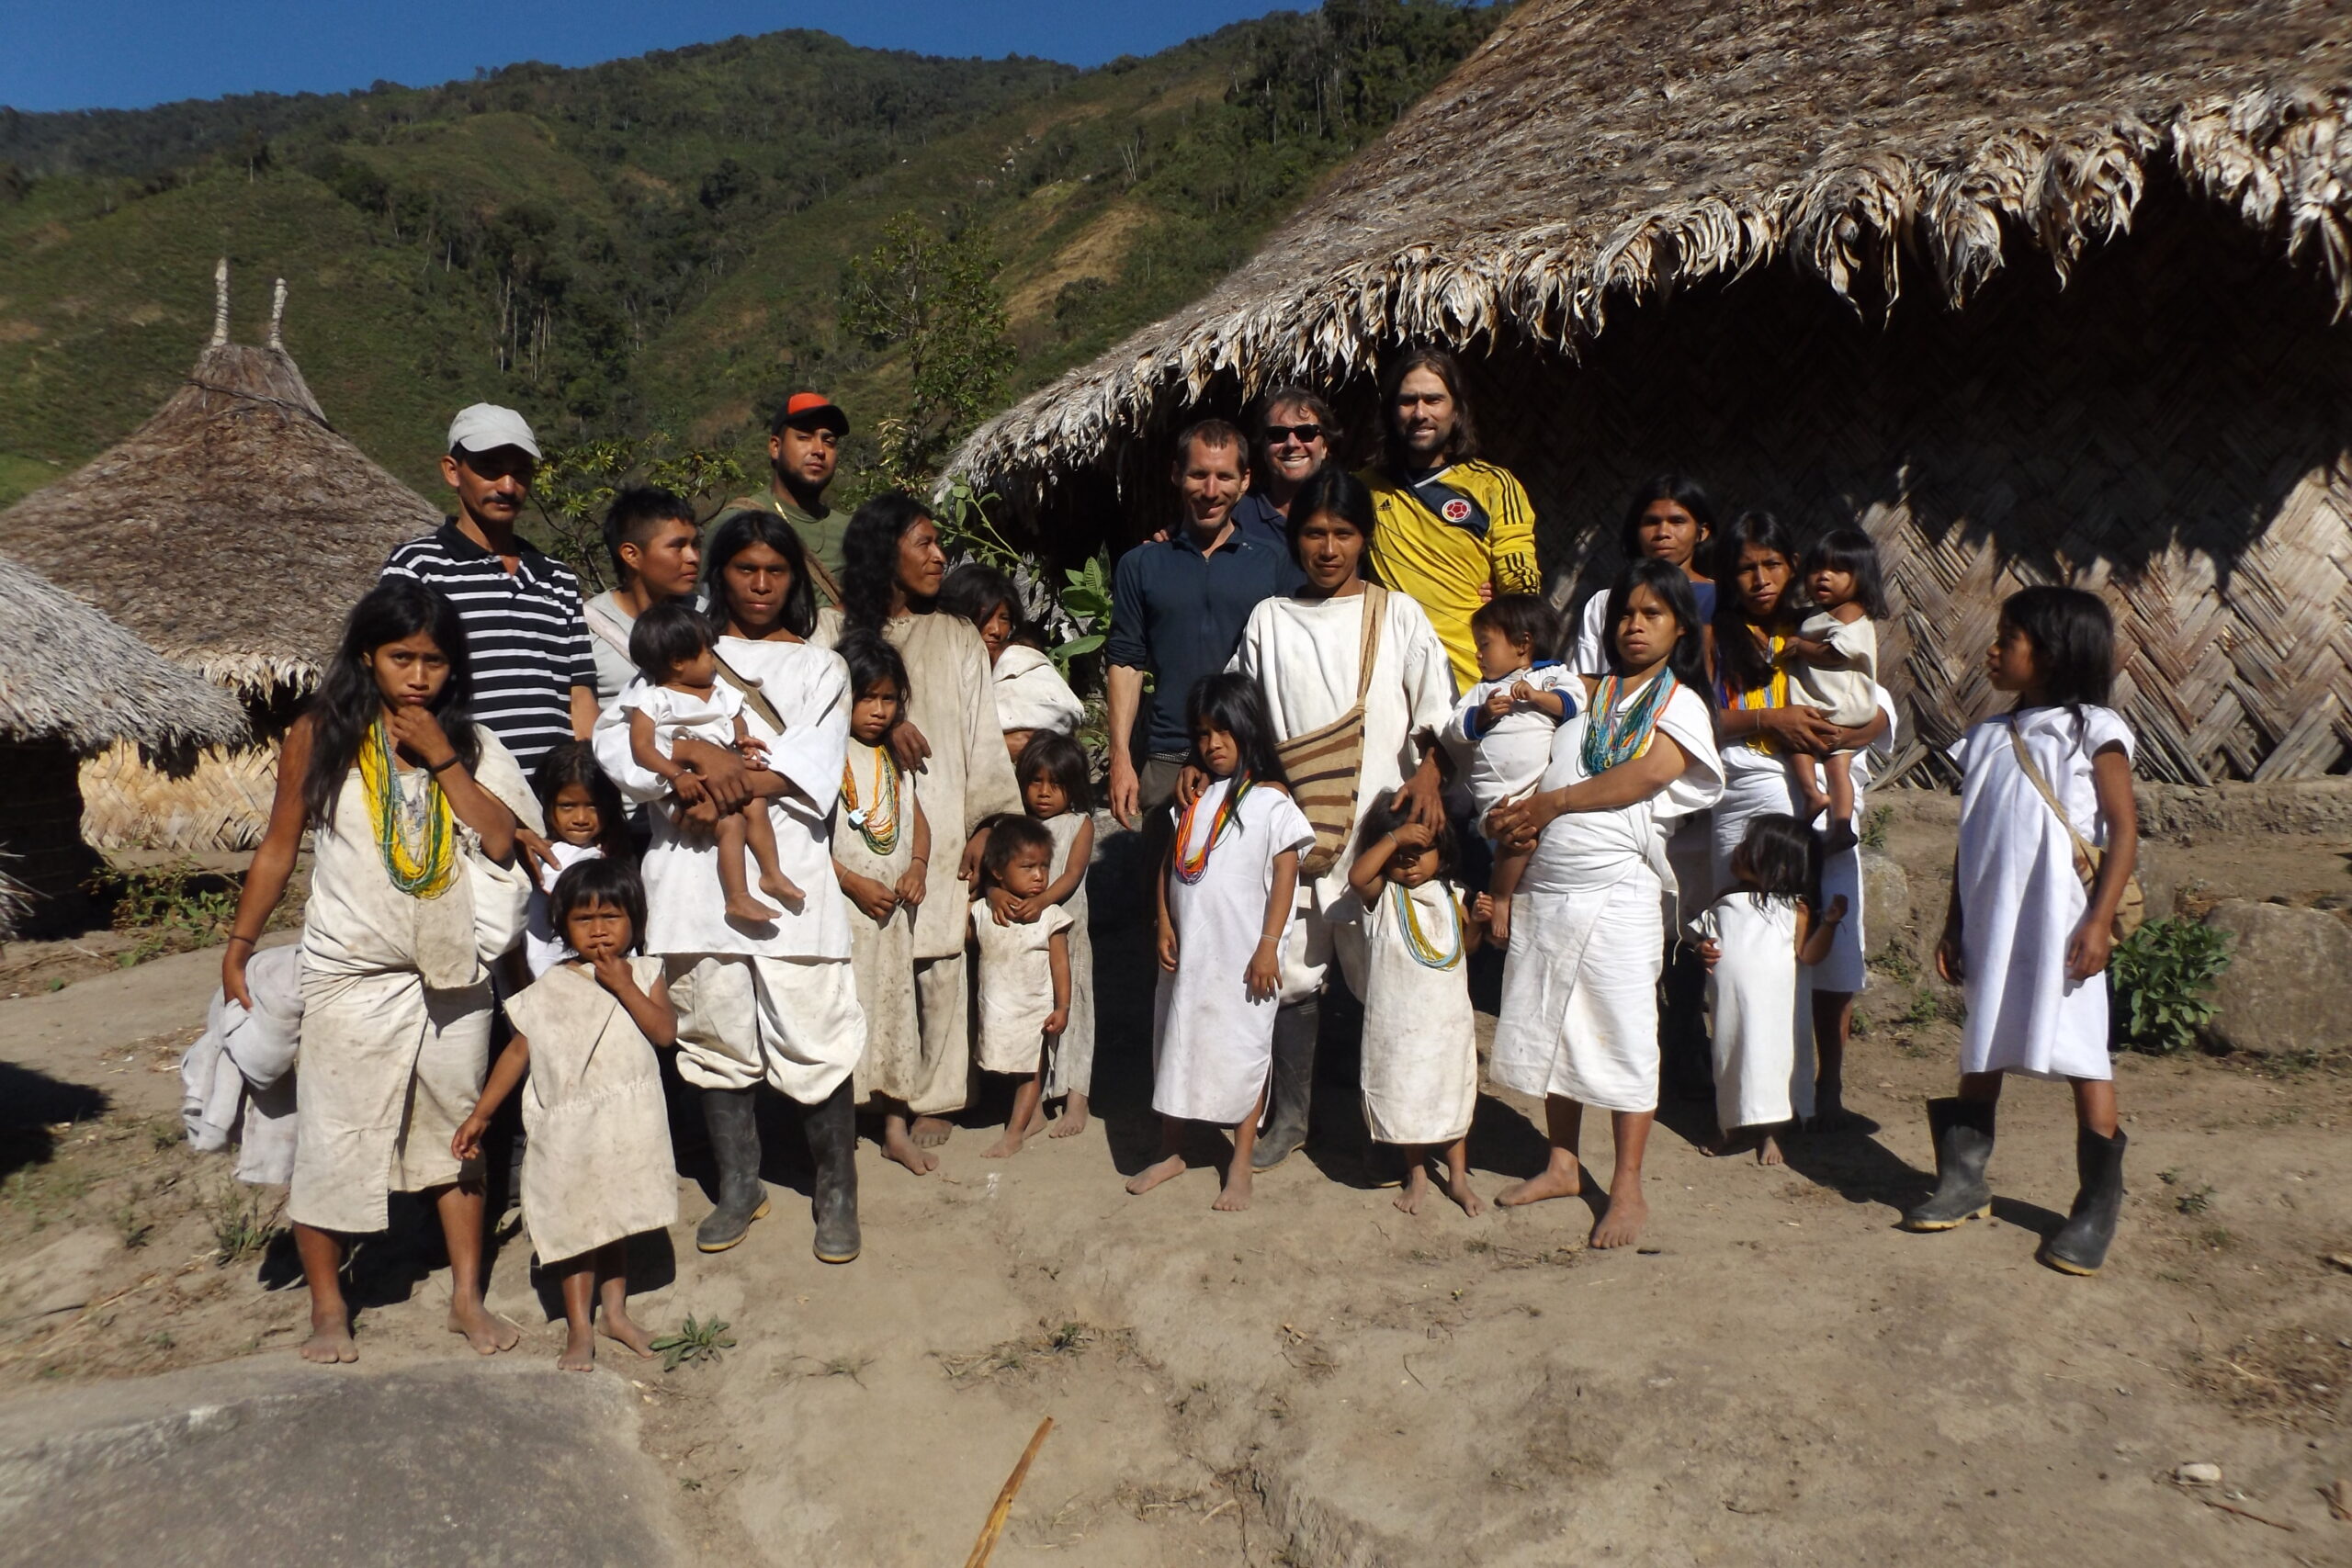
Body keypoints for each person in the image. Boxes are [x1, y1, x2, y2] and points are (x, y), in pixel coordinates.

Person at [220, 577, 539, 1363]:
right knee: (333, 1133)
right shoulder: (320, 732)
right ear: (369, 655)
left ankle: (466, 1296)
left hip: (450, 976)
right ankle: (330, 1308)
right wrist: (239, 938)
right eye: (402, 657)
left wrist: (441, 759)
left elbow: (507, 842)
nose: (419, 675)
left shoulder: (473, 743)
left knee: (458, 1130)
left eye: (434, 660)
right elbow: (279, 845)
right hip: (350, 974)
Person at [594, 509, 865, 1262]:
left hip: (789, 882)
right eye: (744, 569)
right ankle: (740, 1183)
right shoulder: (682, 648)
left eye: (776, 571)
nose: (760, 583)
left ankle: (837, 1193)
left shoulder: (820, 666)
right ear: (721, 573)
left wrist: (730, 773)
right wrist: (685, 761)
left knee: (815, 1035)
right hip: (688, 876)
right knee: (713, 1037)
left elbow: (810, 761)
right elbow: (618, 738)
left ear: (794, 579)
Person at [1486, 558, 1724, 1247]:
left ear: (1680, 626)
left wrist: (1554, 801)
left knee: (1622, 1032)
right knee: (1552, 1025)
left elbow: (1650, 772)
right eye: (1625, 613)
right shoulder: (1587, 692)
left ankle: (1626, 1185)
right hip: (1549, 885)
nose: (1635, 626)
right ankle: (1562, 1162)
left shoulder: (1680, 703)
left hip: (1619, 889)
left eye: (1652, 614)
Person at [1227, 466, 1456, 1171]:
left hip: (1379, 836)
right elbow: (1242, 716)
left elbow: (1439, 713)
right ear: (1295, 539)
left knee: (1386, 974)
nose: (1328, 548)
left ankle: (1394, 1125)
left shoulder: (1398, 614)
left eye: (1343, 533)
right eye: (1315, 534)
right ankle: (1292, 1118)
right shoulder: (1270, 619)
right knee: (1295, 974)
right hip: (1299, 830)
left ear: (1365, 538)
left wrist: (1430, 772)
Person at [1907, 587, 2138, 1276]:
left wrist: (2099, 918)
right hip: (1994, 919)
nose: (1993, 648)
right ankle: (1963, 1178)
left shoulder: (2092, 728)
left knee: (2084, 1056)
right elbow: (1969, 838)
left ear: (2053, 652)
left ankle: (2098, 1202)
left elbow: (2124, 830)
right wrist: (1954, 921)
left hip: (2063, 923)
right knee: (1982, 1043)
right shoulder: (1983, 738)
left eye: (2009, 637)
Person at [815, 493, 1023, 1148]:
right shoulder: (834, 632)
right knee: (865, 966)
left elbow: (981, 736)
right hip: (859, 828)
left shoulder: (956, 634)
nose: (940, 557)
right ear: (886, 552)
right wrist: (891, 717)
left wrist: (988, 822)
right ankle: (870, 1089)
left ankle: (937, 1091)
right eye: (925, 543)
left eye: (940, 545)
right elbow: (817, 712)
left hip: (941, 818)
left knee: (937, 960)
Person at [1707, 509, 1894, 1129]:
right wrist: (1769, 720)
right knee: (1754, 948)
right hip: (1750, 794)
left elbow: (1876, 704)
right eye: (1744, 567)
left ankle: (1827, 1087)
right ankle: (1758, 1101)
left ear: (1793, 567)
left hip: (1829, 801)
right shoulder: (1717, 637)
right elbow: (1693, 719)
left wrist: (1846, 731)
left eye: (1771, 564)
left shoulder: (1823, 623)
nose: (1759, 578)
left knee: (1832, 947)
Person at [455, 858, 676, 1371]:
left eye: (612, 917)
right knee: (576, 1223)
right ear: (561, 927)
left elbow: (664, 1033)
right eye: (583, 919)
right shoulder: (548, 988)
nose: (599, 930)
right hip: (570, 1126)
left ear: (635, 922)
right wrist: (482, 1115)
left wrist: (623, 985)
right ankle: (579, 1327)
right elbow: (517, 1053)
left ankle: (615, 1315)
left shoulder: (646, 973)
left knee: (616, 1216)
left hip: (627, 1123)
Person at [1129, 674, 1311, 1212]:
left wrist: (1267, 946)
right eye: (1204, 734)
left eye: (1224, 731)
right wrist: (1164, 921)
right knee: (1179, 1043)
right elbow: (1170, 864)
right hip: (1190, 956)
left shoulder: (1272, 803)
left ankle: (1240, 1161)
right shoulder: (1194, 796)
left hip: (1244, 957)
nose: (1213, 745)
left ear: (1248, 728)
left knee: (1244, 1050)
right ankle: (1173, 1149)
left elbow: (1286, 876)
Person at [382, 403, 596, 782]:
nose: (508, 486)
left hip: (558, 806)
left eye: (520, 473)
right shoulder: (417, 567)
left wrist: (590, 788)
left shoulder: (557, 579)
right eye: (491, 469)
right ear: (452, 471)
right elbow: (397, 693)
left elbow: (579, 697)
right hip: (464, 794)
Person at [1104, 419, 1299, 832]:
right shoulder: (1141, 565)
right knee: (1165, 889)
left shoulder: (1274, 563)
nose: (1211, 491)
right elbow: (1126, 660)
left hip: (1253, 758)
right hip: (1169, 758)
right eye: (1198, 475)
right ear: (1176, 475)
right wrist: (1120, 757)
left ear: (1245, 481)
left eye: (1224, 476)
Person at [1359, 346, 1541, 688]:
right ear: (1391, 411)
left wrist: (1507, 599)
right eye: (1408, 400)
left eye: (1433, 400)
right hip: (1391, 682)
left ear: (1456, 409)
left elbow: (1521, 577)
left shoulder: (1493, 485)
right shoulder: (1363, 489)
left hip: (1475, 680)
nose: (1420, 413)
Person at [1344, 794, 1487, 1217]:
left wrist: (1477, 921)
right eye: (1399, 854)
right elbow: (1356, 876)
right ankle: (1418, 1171)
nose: (1408, 862)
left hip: (1446, 1025)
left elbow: (1468, 947)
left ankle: (1458, 1177)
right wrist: (1395, 837)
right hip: (1399, 1025)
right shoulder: (1382, 896)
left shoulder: (1452, 895)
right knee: (1407, 1097)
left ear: (1441, 852)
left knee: (1450, 1096)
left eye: (1418, 852)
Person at [620, 601, 800, 925]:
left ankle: (771, 874)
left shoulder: (718, 691)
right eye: (706, 653)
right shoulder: (654, 699)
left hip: (725, 774)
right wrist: (676, 776)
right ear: (677, 662)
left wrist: (742, 740)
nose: (712, 660)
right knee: (732, 825)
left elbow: (735, 719)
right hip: (687, 786)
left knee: (756, 805)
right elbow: (642, 747)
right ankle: (738, 897)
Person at [831, 632, 935, 1177]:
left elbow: (919, 823)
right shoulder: (827, 757)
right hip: (845, 917)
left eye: (888, 699)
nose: (877, 710)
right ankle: (838, 1134)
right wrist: (849, 880)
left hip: (893, 917)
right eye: (865, 698)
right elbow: (806, 843)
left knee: (896, 1011)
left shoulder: (896, 756)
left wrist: (917, 866)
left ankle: (895, 1127)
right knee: (846, 1013)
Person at [1690, 814, 1848, 1165]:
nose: (1737, 851)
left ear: (1774, 864)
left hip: (1775, 1010)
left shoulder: (1795, 907)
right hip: (1731, 1007)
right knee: (1730, 1057)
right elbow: (1704, 939)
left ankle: (1772, 1130)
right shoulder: (1725, 898)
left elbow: (1808, 955)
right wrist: (1703, 950)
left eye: (1748, 849)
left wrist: (1831, 925)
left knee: (1773, 1062)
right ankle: (1729, 1123)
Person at [1442, 593, 1577, 945]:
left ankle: (1503, 902)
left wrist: (1536, 697)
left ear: (1522, 644)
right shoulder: (1482, 690)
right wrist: (1484, 714)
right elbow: (1455, 728)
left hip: (1536, 787)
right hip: (1493, 795)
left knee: (1526, 846)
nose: (1478, 654)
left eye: (1484, 644)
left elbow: (1575, 703)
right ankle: (1499, 899)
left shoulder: (1552, 676)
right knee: (1513, 838)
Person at [1779, 528, 1889, 852]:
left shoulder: (1851, 612)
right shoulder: (1822, 613)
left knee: (1795, 743)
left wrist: (1800, 646)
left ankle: (1812, 793)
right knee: (1838, 768)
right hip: (1838, 708)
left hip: (1835, 705)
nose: (1823, 577)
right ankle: (1841, 826)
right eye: (1817, 569)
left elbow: (1837, 652)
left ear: (1861, 578)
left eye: (1838, 571)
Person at [969, 814, 1073, 1159]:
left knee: (1029, 1068)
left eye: (1044, 866)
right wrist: (990, 891)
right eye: (1028, 867)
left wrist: (1063, 1007)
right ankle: (1035, 1116)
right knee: (1010, 1065)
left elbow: (1061, 964)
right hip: (998, 1007)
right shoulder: (985, 911)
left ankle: (1014, 1133)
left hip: (1034, 1008)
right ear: (999, 871)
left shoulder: (1050, 915)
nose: (1039, 875)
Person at [1013, 733, 1098, 1137]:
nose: (1044, 793)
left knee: (1075, 1012)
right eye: (1036, 782)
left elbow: (1072, 874)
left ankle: (1076, 1100)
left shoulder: (1078, 825)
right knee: (1038, 1016)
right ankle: (1034, 1106)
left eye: (1056, 784)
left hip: (1069, 934)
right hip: (1029, 940)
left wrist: (1043, 901)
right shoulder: (1018, 826)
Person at [1567, 476, 1718, 676]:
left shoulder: (1719, 599)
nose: (1663, 532)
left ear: (1702, 532)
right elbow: (1582, 685)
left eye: (1677, 521)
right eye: (1651, 522)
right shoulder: (1604, 602)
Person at [938, 561, 1084, 759]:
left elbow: (1059, 714)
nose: (996, 630)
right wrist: (998, 744)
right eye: (985, 617)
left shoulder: (1021, 666)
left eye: (1004, 619)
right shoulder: (936, 667)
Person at [583, 486, 704, 706]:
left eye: (695, 545)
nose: (693, 557)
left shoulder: (710, 617)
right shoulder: (586, 634)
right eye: (677, 547)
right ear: (631, 555)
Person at [724, 392, 851, 600]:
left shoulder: (852, 530)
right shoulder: (738, 521)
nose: (819, 450)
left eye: (829, 441)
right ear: (775, 447)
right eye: (804, 437)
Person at [521, 742, 632, 980]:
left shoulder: (603, 852)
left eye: (593, 806)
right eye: (567, 806)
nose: (581, 818)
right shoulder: (552, 857)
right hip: (555, 976)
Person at [1228, 386, 1339, 553]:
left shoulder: (1347, 510)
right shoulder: (1236, 517)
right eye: (1278, 434)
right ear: (1264, 446)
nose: (1292, 444)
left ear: (1324, 447)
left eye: (1305, 432)